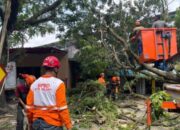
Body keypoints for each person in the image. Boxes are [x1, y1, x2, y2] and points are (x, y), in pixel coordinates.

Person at [26, 56, 72, 130]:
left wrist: (30, 122)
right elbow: (62, 108)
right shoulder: (59, 84)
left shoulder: (34, 84)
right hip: (52, 124)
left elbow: (29, 107)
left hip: (36, 124)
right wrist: (68, 126)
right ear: (56, 69)